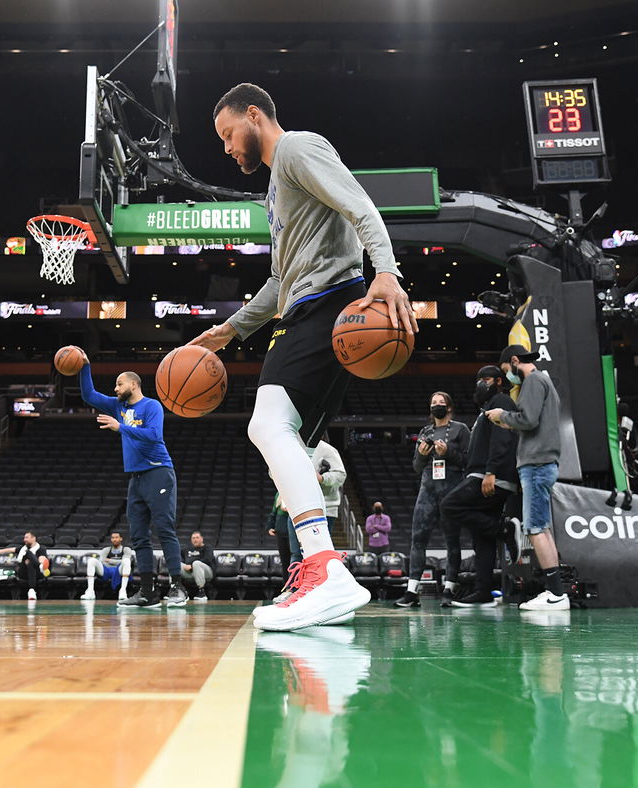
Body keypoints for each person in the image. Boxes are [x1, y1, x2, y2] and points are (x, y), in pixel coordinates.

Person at [191, 82, 416, 631]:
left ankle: (325, 570)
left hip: (329, 305)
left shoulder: (297, 149)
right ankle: (317, 571)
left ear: (253, 114)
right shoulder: (275, 186)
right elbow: (278, 279)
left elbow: (360, 204)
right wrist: (229, 330)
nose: (226, 148)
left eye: (227, 135)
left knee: (267, 425)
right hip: (303, 309)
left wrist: (386, 271)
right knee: (283, 434)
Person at [79, 355, 186, 608]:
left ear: (134, 385)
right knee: (138, 537)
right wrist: (84, 365)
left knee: (165, 529)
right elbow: (89, 395)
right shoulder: (118, 407)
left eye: (119, 384)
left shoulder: (152, 406)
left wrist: (120, 428)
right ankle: (148, 592)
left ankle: (177, 587)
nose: (115, 389)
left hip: (158, 471)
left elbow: (153, 435)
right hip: (136, 478)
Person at [485, 345, 567, 611]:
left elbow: (528, 419)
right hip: (542, 462)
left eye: (507, 370)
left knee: (534, 528)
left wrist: (501, 416)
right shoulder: (543, 381)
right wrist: (509, 421)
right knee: (541, 528)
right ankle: (555, 591)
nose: (508, 376)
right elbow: (531, 420)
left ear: (515, 361)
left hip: (537, 464)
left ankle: (556, 593)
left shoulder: (533, 380)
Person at [440, 366, 519, 607]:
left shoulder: (502, 400)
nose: (480, 384)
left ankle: (502, 530)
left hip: (490, 476)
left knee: (449, 506)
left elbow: (502, 439)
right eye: (478, 380)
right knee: (481, 539)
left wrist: (490, 471)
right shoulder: (485, 408)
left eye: (485, 379)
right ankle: (483, 590)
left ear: (498, 381)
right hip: (481, 473)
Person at [396, 391, 470, 608]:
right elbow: (416, 467)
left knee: (452, 540)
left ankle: (450, 588)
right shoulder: (425, 431)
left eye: (441, 403)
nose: (436, 406)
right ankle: (411, 591)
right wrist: (421, 453)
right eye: (433, 403)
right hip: (427, 489)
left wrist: (448, 452)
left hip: (452, 488)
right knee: (417, 538)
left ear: (449, 407)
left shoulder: (461, 429)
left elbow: (468, 461)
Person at [0, 531, 48, 600]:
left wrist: (35, 562)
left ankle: (31, 590)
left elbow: (42, 558)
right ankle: (32, 590)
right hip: (23, 573)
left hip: (37, 573)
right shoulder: (22, 549)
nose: (24, 539)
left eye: (27, 537)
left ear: (33, 538)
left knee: (30, 562)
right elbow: (8, 550)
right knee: (27, 553)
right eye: (24, 538)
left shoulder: (41, 548)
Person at [81, 531, 135, 602]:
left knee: (126, 561)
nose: (114, 539)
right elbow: (102, 561)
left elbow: (126, 561)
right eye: (113, 538)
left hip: (119, 570)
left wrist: (110, 560)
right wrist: (118, 561)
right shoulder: (106, 550)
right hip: (106, 570)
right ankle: (90, 591)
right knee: (92, 560)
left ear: (121, 539)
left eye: (116, 537)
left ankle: (122, 591)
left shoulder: (126, 549)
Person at [181, 531, 215, 602]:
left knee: (196, 563)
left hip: (206, 572)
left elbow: (208, 559)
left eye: (197, 537)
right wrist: (185, 566)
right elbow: (181, 558)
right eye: (193, 538)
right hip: (191, 572)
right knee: (176, 564)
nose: (195, 540)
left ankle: (202, 592)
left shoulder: (207, 548)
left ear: (201, 539)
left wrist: (192, 566)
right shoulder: (186, 549)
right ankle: (176, 591)